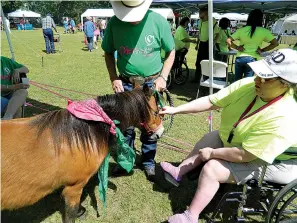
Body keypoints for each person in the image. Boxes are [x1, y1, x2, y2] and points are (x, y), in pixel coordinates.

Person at [159, 48, 297, 223]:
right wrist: (176, 110)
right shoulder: (248, 85)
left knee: (213, 169)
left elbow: (246, 154)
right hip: (242, 143)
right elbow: (212, 101)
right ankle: (180, 171)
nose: (257, 79)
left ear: (285, 84)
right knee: (210, 138)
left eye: (266, 78)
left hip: (279, 162)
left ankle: (190, 216)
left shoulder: (284, 115)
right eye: (258, 73)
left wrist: (212, 153)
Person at [102, 0, 175, 181]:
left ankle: (148, 162)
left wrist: (163, 76)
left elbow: (171, 51)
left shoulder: (158, 21)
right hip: (126, 84)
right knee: (125, 126)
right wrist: (114, 77)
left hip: (151, 85)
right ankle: (126, 162)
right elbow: (108, 52)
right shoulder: (114, 23)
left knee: (150, 126)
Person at [227, 9, 279, 82]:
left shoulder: (242, 30)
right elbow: (275, 43)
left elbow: (228, 40)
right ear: (261, 19)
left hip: (240, 58)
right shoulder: (264, 31)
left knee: (236, 81)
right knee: (247, 83)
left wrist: (237, 47)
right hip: (252, 59)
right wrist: (262, 50)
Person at [193, 6, 219, 83]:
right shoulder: (200, 21)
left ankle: (207, 80)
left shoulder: (212, 20)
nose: (199, 14)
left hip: (209, 44)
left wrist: (213, 42)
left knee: (208, 63)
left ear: (206, 13)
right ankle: (196, 79)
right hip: (202, 44)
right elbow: (199, 33)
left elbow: (217, 33)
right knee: (198, 62)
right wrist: (197, 44)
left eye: (201, 13)